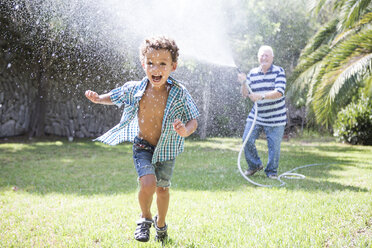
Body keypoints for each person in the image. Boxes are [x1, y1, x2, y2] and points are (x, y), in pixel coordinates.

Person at [85, 36, 199, 243]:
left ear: (173, 66)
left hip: (167, 148)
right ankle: (145, 218)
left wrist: (185, 131)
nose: (156, 68)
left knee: (162, 189)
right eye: (150, 63)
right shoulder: (136, 88)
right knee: (148, 184)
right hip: (142, 145)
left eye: (162, 64)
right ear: (143, 64)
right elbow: (116, 95)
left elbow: (193, 119)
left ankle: (161, 223)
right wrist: (99, 98)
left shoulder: (179, 93)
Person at [237, 45, 287, 179]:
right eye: (262, 55)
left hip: (276, 117)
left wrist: (261, 96)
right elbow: (245, 94)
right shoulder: (253, 73)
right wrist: (243, 83)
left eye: (267, 55)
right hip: (257, 116)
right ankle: (254, 165)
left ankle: (271, 172)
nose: (264, 58)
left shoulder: (279, 71)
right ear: (258, 57)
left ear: (272, 58)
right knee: (246, 139)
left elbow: (279, 92)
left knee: (274, 147)